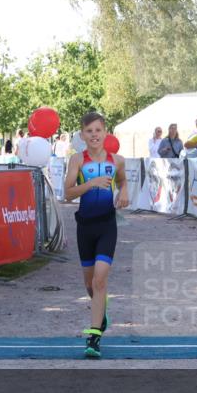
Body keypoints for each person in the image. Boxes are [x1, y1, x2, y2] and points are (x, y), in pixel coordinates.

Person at [63, 112, 129, 360]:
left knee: (100, 281)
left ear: (105, 133)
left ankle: (94, 337)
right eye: (89, 131)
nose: (94, 135)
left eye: (98, 130)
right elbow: (67, 194)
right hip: (85, 227)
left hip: (107, 225)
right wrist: (91, 184)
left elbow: (123, 181)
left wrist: (124, 191)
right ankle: (102, 310)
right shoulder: (77, 160)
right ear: (82, 135)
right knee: (90, 285)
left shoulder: (118, 161)